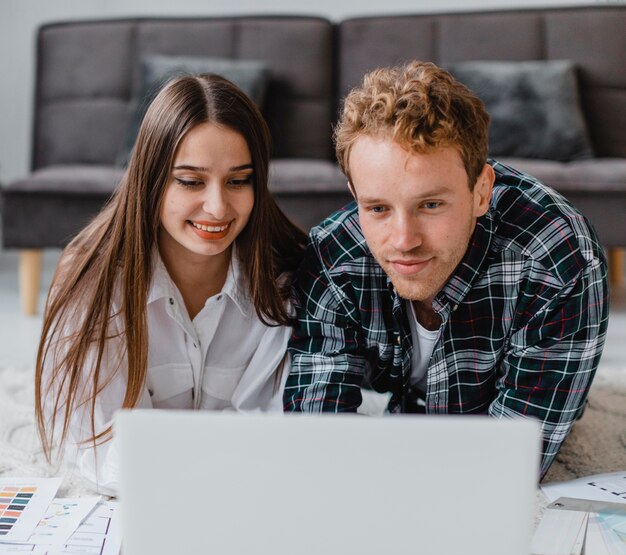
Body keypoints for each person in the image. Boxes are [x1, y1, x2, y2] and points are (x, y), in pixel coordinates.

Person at [283, 61, 609, 478]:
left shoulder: (561, 260)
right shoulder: (332, 257)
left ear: (481, 191)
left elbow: (507, 467)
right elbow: (317, 440)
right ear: (355, 195)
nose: (403, 240)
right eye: (377, 208)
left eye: (431, 204)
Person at [35, 73, 307, 495]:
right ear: (152, 180)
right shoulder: (92, 281)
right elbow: (101, 446)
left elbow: (278, 428)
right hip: (162, 494)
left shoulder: (286, 279)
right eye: (190, 181)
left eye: (238, 180)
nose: (217, 207)